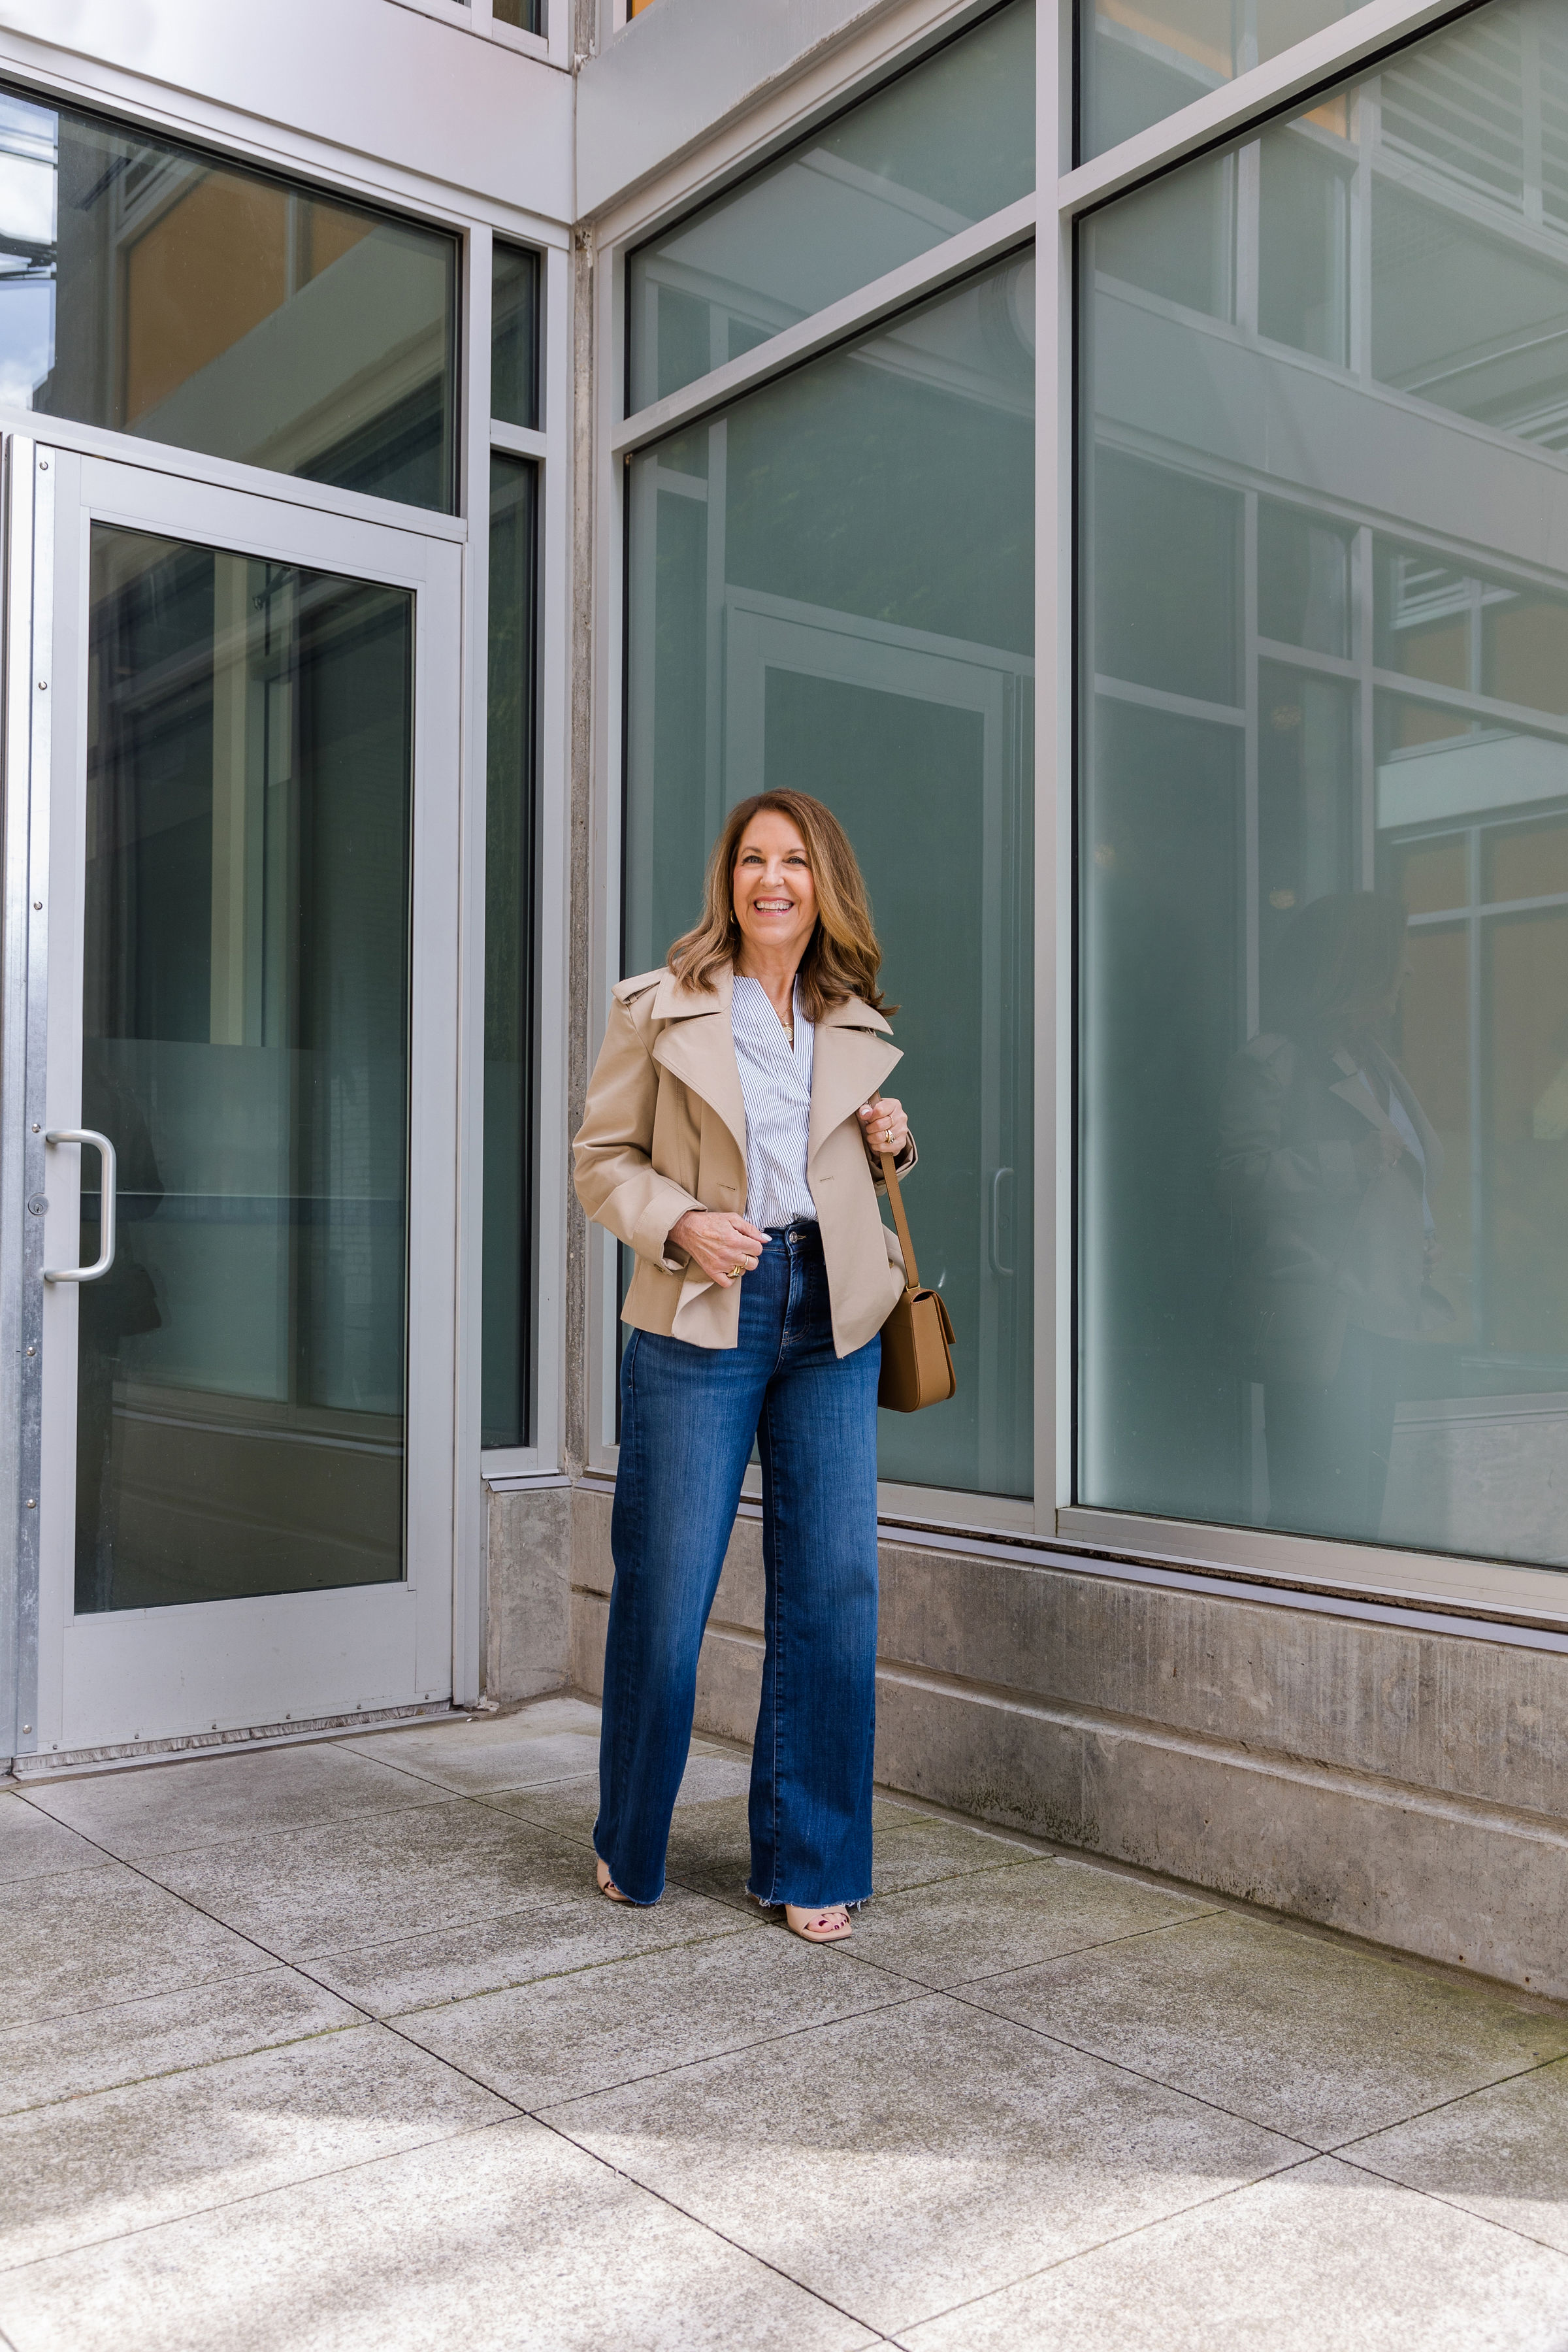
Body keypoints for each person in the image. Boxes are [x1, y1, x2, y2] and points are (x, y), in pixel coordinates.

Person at [573, 789, 915, 1943]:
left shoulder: (849, 1018)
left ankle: (809, 1857)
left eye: (797, 862)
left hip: (833, 1312)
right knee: (668, 1590)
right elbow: (601, 1160)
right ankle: (630, 1836)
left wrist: (894, 1139)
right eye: (754, 860)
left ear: (826, 885)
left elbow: (857, 1164)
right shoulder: (659, 1010)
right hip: (704, 1309)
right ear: (729, 880)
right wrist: (679, 1223)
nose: (774, 879)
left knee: (834, 1591)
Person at [1218, 892, 1451, 1542]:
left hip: (1383, 1313)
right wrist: (1346, 1161)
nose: (1409, 974)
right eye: (1397, 958)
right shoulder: (1275, 1061)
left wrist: (1419, 1237)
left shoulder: (1378, 1064)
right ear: (1360, 965)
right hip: (1324, 1321)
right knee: (1320, 1514)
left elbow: (1401, 1178)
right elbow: (1235, 1179)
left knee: (1359, 1513)